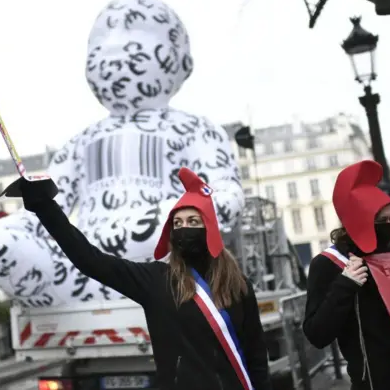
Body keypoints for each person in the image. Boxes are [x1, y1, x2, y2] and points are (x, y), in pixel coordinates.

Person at [19, 167, 271, 390]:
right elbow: (90, 259)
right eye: (178, 223)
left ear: (209, 228)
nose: (184, 228)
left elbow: (256, 357)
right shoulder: (156, 281)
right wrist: (45, 207)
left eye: (193, 221)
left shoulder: (238, 286)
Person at [303, 160, 390, 390]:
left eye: (389, 219)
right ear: (359, 220)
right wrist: (345, 285)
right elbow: (317, 334)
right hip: (370, 383)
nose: (387, 225)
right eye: (380, 220)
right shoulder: (327, 264)